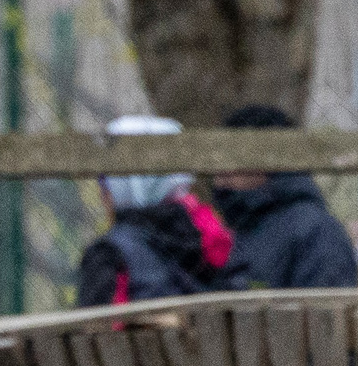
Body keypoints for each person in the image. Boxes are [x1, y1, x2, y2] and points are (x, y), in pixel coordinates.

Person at [74, 115, 241, 307]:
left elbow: (96, 331)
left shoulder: (109, 254)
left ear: (121, 183)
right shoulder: (214, 237)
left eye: (104, 179)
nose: (102, 190)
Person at [211, 104, 358, 289]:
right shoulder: (242, 226)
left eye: (230, 160)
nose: (219, 177)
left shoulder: (315, 232)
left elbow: (326, 312)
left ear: (265, 160)